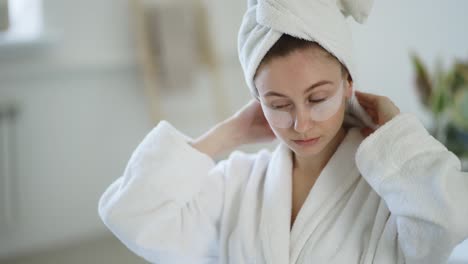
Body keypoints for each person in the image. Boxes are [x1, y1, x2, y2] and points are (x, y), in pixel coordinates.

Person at [98, 0, 468, 263]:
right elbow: (131, 214)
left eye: (318, 97)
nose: (301, 123)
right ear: (257, 101)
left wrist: (396, 133)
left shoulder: (393, 190)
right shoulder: (240, 182)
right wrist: (225, 136)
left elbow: (451, 218)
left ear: (348, 84)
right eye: (278, 104)